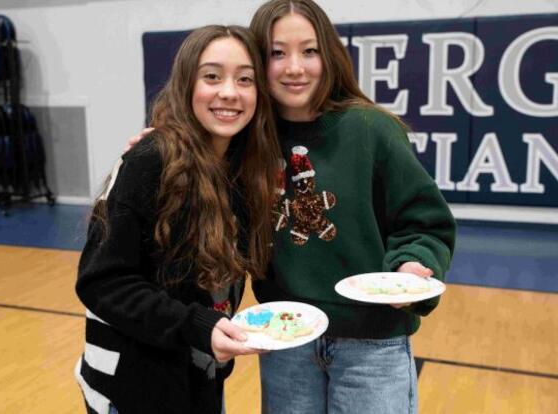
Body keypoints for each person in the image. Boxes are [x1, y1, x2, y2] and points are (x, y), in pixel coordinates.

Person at [125, 1, 456, 413]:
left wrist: (412, 264)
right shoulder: (245, 137)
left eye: (309, 51)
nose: (294, 67)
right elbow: (195, 168)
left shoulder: (373, 130)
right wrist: (160, 152)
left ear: (329, 55)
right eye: (277, 53)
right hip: (287, 342)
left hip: (373, 345)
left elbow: (425, 224)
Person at [74, 25, 281, 414]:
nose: (229, 92)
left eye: (245, 79)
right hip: (133, 390)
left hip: (198, 378)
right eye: (212, 76)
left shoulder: (242, 168)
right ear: (187, 84)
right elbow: (102, 282)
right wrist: (196, 326)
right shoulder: (149, 160)